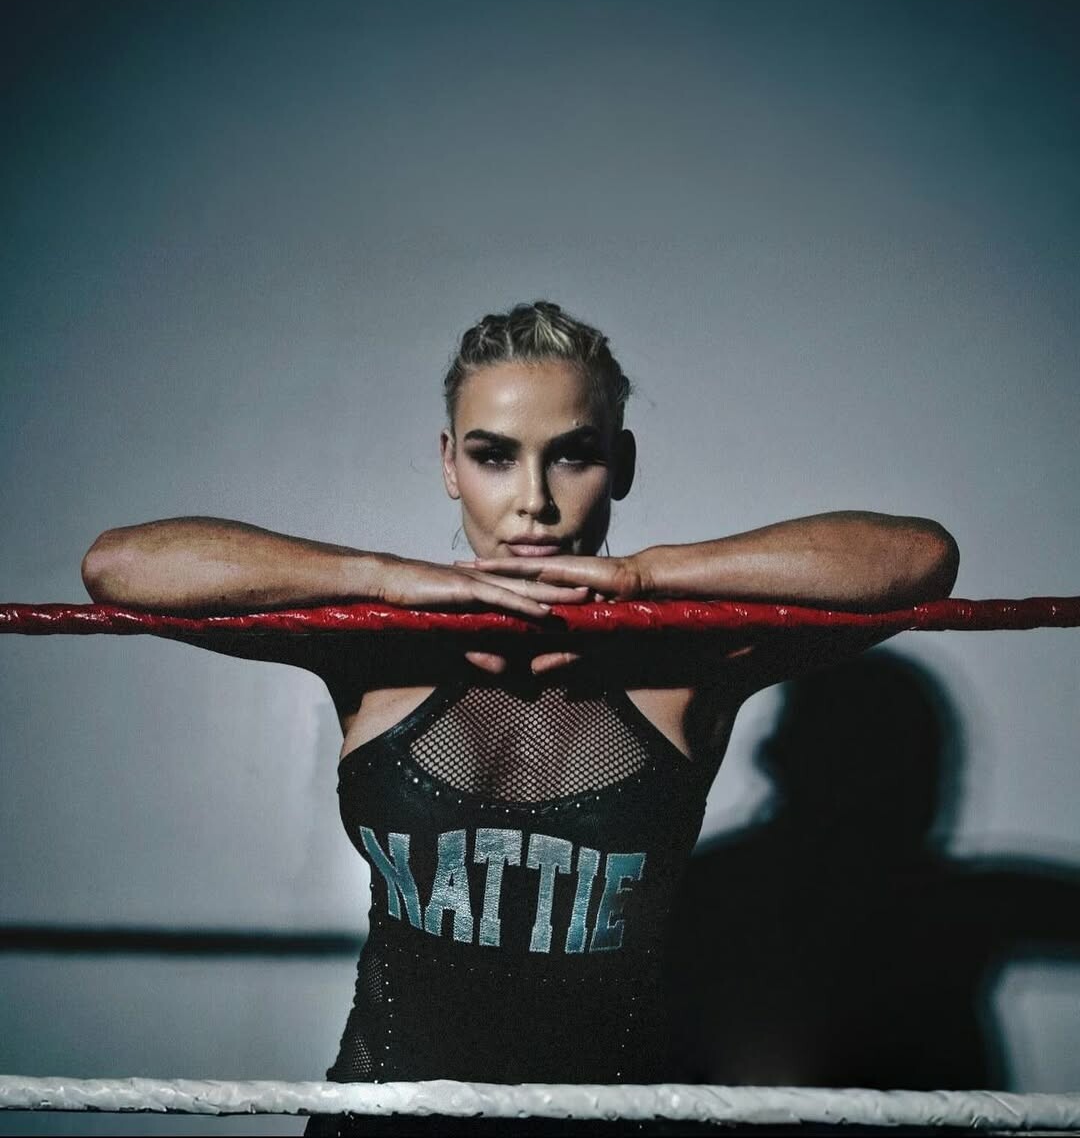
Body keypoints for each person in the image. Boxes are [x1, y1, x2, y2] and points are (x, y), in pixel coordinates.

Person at [80, 299, 959, 1134]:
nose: (533, 500)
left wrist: (647, 576)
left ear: (621, 464)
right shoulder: (378, 650)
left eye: (572, 456)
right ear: (449, 464)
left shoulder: (685, 664)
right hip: (382, 1130)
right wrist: (381, 578)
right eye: (494, 456)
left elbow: (920, 557)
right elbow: (121, 566)